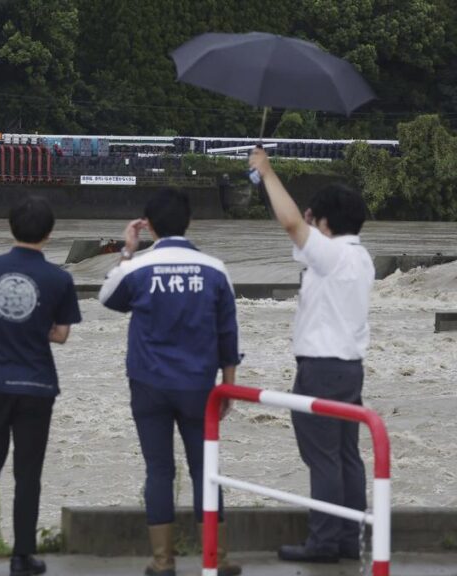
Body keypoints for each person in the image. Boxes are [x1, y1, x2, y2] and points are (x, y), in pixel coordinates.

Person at [98, 189, 241, 576]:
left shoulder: (138, 268)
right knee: (204, 468)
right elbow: (228, 331)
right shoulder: (214, 269)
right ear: (189, 222)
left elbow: (107, 298)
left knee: (159, 470)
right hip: (198, 385)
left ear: (149, 226)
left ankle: (163, 562)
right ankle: (218, 557)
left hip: (149, 384)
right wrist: (228, 383)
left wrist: (128, 250)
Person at [249, 149, 374, 564]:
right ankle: (346, 539)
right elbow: (301, 236)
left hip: (320, 367)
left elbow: (289, 223)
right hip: (349, 367)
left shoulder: (333, 254)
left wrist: (266, 172)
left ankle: (322, 543)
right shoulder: (359, 256)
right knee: (346, 456)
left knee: (322, 458)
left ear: (324, 224)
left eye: (314, 219)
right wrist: (309, 223)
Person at [0, 196, 82, 576]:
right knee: (28, 475)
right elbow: (60, 335)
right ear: (50, 233)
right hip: (36, 385)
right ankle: (22, 557)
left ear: (10, 227)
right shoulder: (60, 278)